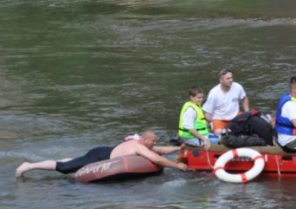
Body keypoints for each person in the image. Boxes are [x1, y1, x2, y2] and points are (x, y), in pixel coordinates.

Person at [15, 130, 187, 177]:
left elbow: (162, 150)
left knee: (76, 162)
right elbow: (157, 158)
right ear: (144, 140)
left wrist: (178, 149)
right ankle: (29, 166)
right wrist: (176, 165)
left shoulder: (143, 145)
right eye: (153, 141)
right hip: (100, 156)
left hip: (103, 151)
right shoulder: (138, 146)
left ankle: (70, 160)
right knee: (65, 168)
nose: (155, 144)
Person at [203, 68, 249, 133]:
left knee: (250, 126)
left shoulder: (238, 87)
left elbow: (244, 98)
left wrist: (247, 112)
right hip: (219, 120)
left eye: (231, 78)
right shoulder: (213, 93)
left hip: (235, 118)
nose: (231, 80)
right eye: (228, 79)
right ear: (221, 80)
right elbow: (208, 112)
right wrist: (207, 126)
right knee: (221, 135)